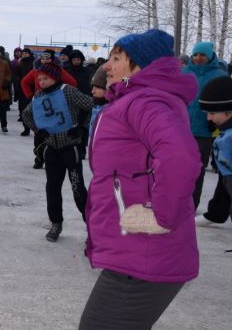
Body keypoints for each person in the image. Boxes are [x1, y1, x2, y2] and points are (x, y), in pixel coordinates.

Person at [79, 29, 199, 330]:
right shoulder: (135, 100)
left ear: (143, 66)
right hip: (135, 252)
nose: (108, 65)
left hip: (145, 255)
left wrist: (160, 216)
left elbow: (180, 156)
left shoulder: (143, 102)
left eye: (117, 58)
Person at [22, 62, 93, 242]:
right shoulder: (38, 96)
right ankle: (56, 223)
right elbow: (26, 114)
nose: (42, 82)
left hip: (71, 147)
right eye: (39, 79)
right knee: (52, 188)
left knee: (77, 188)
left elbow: (91, 105)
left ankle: (92, 226)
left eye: (45, 78)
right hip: (52, 148)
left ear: (55, 77)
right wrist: (39, 129)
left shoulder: (67, 91)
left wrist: (82, 129)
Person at [181, 42, 227, 209]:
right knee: (178, 168)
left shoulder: (220, 76)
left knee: (197, 170)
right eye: (196, 55)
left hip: (205, 132)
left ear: (210, 56)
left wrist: (215, 123)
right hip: (182, 129)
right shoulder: (184, 73)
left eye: (202, 55)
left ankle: (191, 205)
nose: (198, 58)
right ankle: (175, 202)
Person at [198, 76, 232, 225]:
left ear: (229, 112)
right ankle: (216, 213)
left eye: (212, 113)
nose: (209, 118)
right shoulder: (226, 132)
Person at [14, 48, 35, 136]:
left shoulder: (34, 63)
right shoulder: (20, 64)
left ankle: (36, 129)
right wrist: (19, 85)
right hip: (22, 90)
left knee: (33, 111)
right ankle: (26, 129)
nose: (25, 55)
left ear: (30, 54)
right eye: (24, 53)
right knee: (23, 110)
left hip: (33, 90)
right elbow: (17, 75)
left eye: (26, 53)